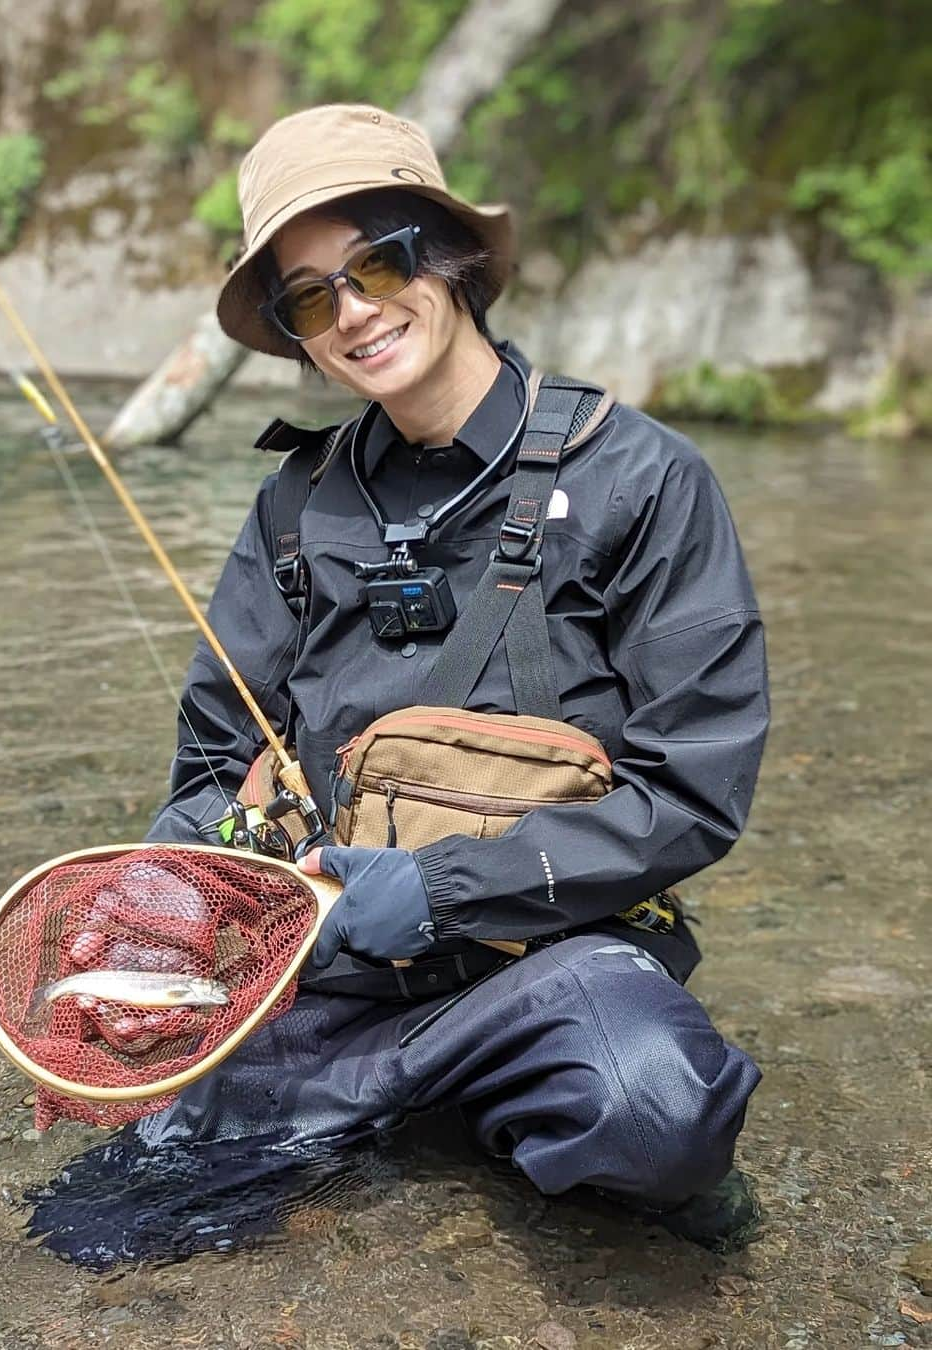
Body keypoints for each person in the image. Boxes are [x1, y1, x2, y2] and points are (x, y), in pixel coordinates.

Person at [139, 104, 769, 1248]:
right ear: (293, 331)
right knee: (113, 1210)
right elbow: (212, 764)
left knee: (658, 1115)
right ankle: (423, 1113)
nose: (357, 312)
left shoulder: (642, 480)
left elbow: (691, 794)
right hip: (329, 978)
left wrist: (435, 895)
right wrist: (188, 897)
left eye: (380, 262)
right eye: (311, 297)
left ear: (451, 253)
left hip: (553, 963)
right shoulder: (294, 508)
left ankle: (461, 1106)